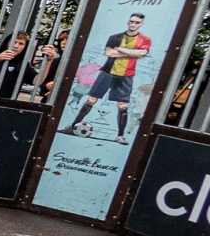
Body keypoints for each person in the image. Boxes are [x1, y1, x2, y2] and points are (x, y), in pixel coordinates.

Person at [62, 11, 149, 143]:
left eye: (137, 22)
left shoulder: (145, 40)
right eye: (132, 21)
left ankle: (120, 135)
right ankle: (73, 126)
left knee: (123, 105)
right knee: (91, 99)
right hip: (108, 72)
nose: (133, 24)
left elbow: (142, 53)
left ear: (141, 24)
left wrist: (121, 50)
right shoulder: (115, 37)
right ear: (128, 22)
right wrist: (133, 53)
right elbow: (109, 53)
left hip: (126, 75)